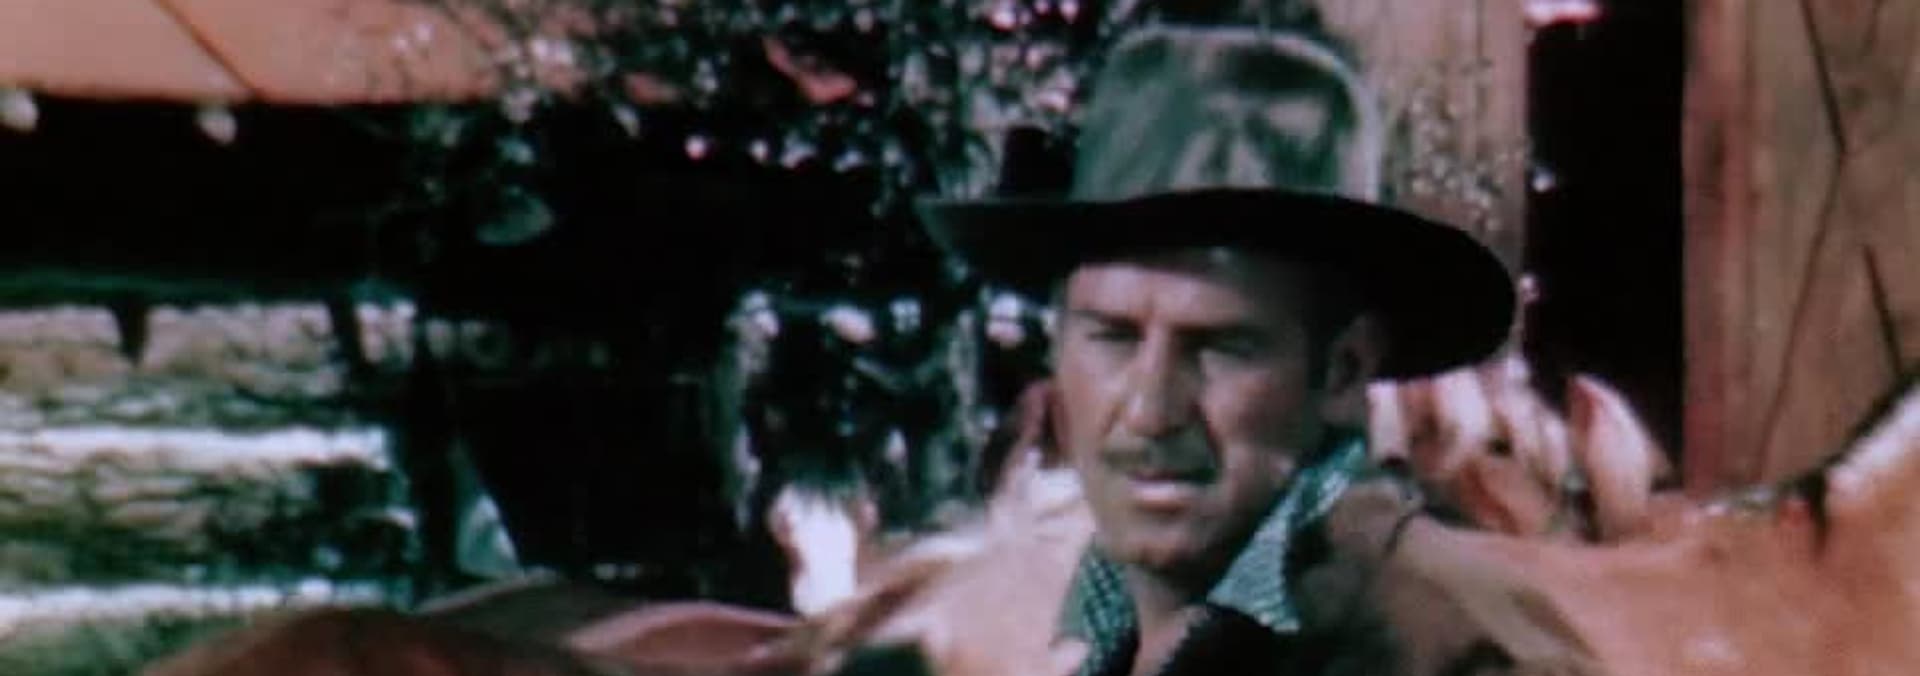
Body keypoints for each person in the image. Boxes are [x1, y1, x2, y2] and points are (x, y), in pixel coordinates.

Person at [913, 24, 1516, 676]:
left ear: (1344, 372)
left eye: (1221, 347)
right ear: (1056, 347)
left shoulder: (1438, 653)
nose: (1150, 410)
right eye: (1113, 336)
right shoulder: (1111, 633)